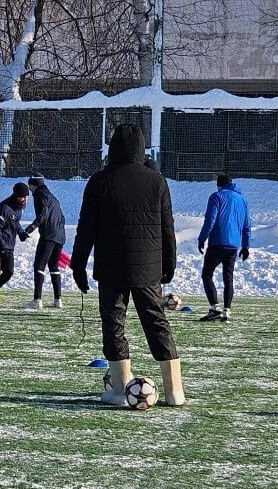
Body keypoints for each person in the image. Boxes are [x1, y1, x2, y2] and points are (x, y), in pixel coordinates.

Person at [71, 123, 185, 407]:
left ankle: (121, 389)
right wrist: (169, 262)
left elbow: (86, 229)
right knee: (157, 323)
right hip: (149, 267)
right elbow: (166, 227)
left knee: (113, 324)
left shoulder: (99, 181)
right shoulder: (157, 181)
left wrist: (78, 265)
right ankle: (175, 392)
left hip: (111, 266)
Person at [197, 173, 252, 322]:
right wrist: (246, 245)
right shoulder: (242, 200)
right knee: (228, 277)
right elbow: (247, 225)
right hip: (233, 246)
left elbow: (210, 219)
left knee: (207, 274)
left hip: (217, 243)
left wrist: (202, 238)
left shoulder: (217, 196)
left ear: (218, 184)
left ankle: (215, 308)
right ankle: (227, 311)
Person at [20, 173, 66, 309]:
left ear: (34, 185)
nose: (29, 189)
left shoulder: (39, 195)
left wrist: (29, 229)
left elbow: (43, 214)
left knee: (39, 266)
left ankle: (37, 300)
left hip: (48, 235)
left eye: (30, 186)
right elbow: (61, 217)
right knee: (54, 267)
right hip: (60, 235)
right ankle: (58, 300)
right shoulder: (53, 197)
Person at [0, 183, 30, 310]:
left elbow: (15, 222)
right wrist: (2, 245)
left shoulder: (21, 207)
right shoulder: (4, 207)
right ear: (15, 196)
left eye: (26, 197)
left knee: (9, 272)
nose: (24, 199)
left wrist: (21, 233)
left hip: (8, 244)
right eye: (22, 197)